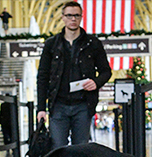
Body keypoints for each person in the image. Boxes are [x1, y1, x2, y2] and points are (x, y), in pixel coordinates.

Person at [36, 1, 111, 148]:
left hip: (83, 104)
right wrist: (40, 108)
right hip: (58, 105)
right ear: (63, 17)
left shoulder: (92, 43)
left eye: (77, 15)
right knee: (57, 149)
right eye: (69, 15)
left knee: (81, 149)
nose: (73, 19)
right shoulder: (51, 44)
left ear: (81, 17)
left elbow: (106, 71)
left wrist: (96, 82)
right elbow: (43, 76)